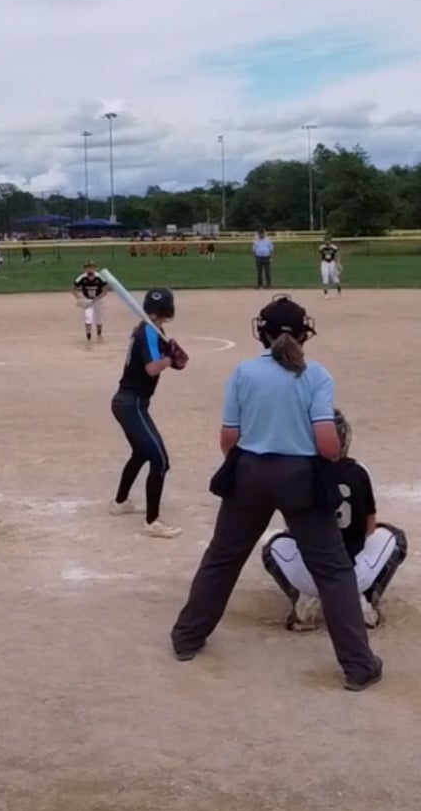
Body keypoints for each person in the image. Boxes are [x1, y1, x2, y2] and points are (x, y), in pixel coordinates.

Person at [170, 294, 381, 692]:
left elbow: (229, 439)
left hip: (249, 471)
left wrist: (252, 466)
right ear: (304, 334)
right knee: (333, 570)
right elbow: (328, 444)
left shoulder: (244, 372)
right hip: (300, 476)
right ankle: (358, 666)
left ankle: (187, 637)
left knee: (223, 557)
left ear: (261, 333)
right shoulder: (315, 375)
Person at [261, 408, 407, 632]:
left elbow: (293, 528)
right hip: (352, 576)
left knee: (272, 547)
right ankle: (365, 599)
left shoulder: (295, 471)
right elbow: (369, 528)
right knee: (395, 537)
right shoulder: (358, 471)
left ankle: (302, 599)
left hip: (309, 574)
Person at [108, 287, 188, 539]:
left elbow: (176, 363)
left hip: (129, 402)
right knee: (160, 461)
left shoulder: (148, 330)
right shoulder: (149, 331)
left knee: (142, 453)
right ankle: (152, 522)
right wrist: (169, 359)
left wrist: (174, 357)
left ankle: (120, 502)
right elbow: (153, 368)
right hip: (132, 403)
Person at [72, 261, 109, 343]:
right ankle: (88, 336)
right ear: (85, 269)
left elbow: (105, 291)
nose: (89, 269)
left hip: (98, 300)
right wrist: (79, 298)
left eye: (91, 267)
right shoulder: (82, 278)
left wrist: (96, 299)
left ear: (95, 268)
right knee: (88, 318)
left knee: (98, 319)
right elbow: (73, 289)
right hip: (87, 300)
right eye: (88, 267)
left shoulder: (100, 277)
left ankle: (99, 333)